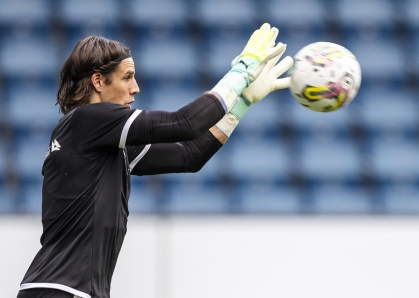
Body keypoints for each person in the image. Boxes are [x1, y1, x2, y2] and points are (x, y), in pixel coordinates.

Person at [16, 23, 293, 298]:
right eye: (127, 78)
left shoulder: (101, 142)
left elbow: (189, 155)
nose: (135, 88)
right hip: (63, 290)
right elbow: (184, 123)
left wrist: (241, 104)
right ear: (98, 81)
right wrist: (241, 72)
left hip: (62, 290)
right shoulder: (88, 120)